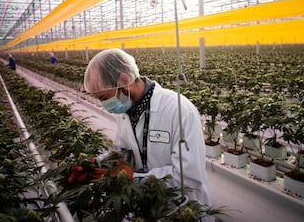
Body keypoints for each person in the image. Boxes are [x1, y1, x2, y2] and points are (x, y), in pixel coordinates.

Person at [83, 48, 211, 207]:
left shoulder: (178, 109)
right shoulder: (126, 109)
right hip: (148, 205)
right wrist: (98, 163)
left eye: (105, 98)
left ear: (124, 81)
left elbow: (189, 177)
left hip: (181, 208)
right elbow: (124, 151)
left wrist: (134, 178)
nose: (105, 105)